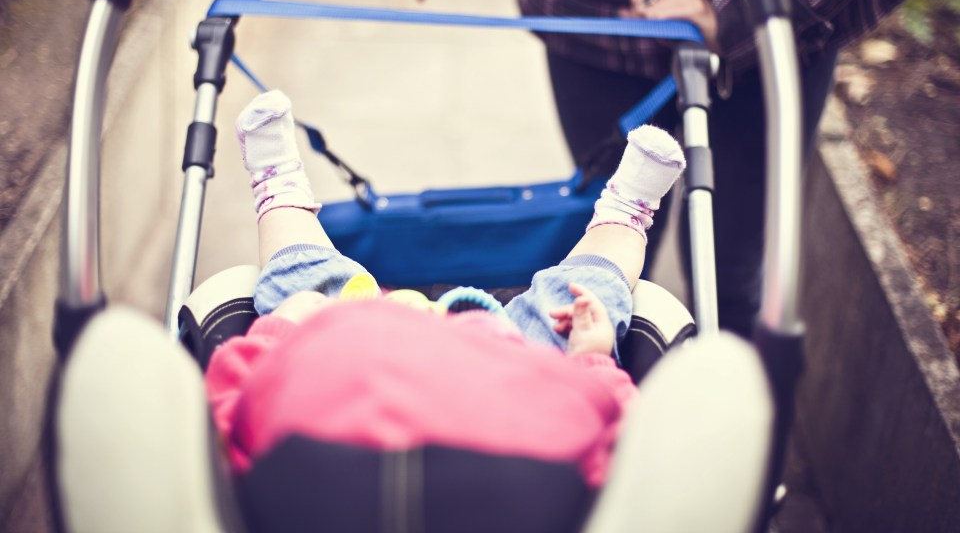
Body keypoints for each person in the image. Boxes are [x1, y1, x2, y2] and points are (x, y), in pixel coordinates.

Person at [329, 0, 927, 337]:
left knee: (733, 270)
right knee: (611, 244)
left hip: (778, 2)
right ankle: (604, 402)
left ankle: (731, 434)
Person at [204, 89, 684, 504]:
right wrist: (592, 361)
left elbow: (221, 422)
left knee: (302, 283)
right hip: (513, 373)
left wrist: (277, 334)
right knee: (580, 294)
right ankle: (623, 216)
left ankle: (281, 196)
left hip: (349, 351)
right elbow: (628, 455)